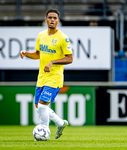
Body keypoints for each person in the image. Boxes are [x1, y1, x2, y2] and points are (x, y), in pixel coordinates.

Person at [20, 8, 73, 140]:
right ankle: (60, 123)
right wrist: (27, 54)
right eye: (50, 17)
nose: (52, 20)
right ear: (46, 20)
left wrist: (52, 62)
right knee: (39, 107)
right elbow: (38, 54)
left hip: (55, 77)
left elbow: (70, 58)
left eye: (55, 18)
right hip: (42, 76)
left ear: (58, 21)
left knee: (43, 105)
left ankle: (44, 130)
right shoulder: (41, 35)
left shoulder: (62, 38)